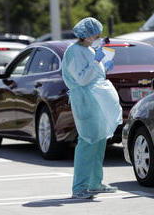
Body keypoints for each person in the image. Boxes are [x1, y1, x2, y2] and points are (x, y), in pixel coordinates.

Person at [62, 17, 123, 199]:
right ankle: (79, 188)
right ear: (86, 35)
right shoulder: (73, 52)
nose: (99, 37)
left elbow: (95, 72)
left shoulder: (89, 49)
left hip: (97, 101)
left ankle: (95, 183)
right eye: (96, 35)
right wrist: (97, 63)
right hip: (84, 101)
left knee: (99, 141)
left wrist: (104, 65)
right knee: (87, 142)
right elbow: (82, 79)